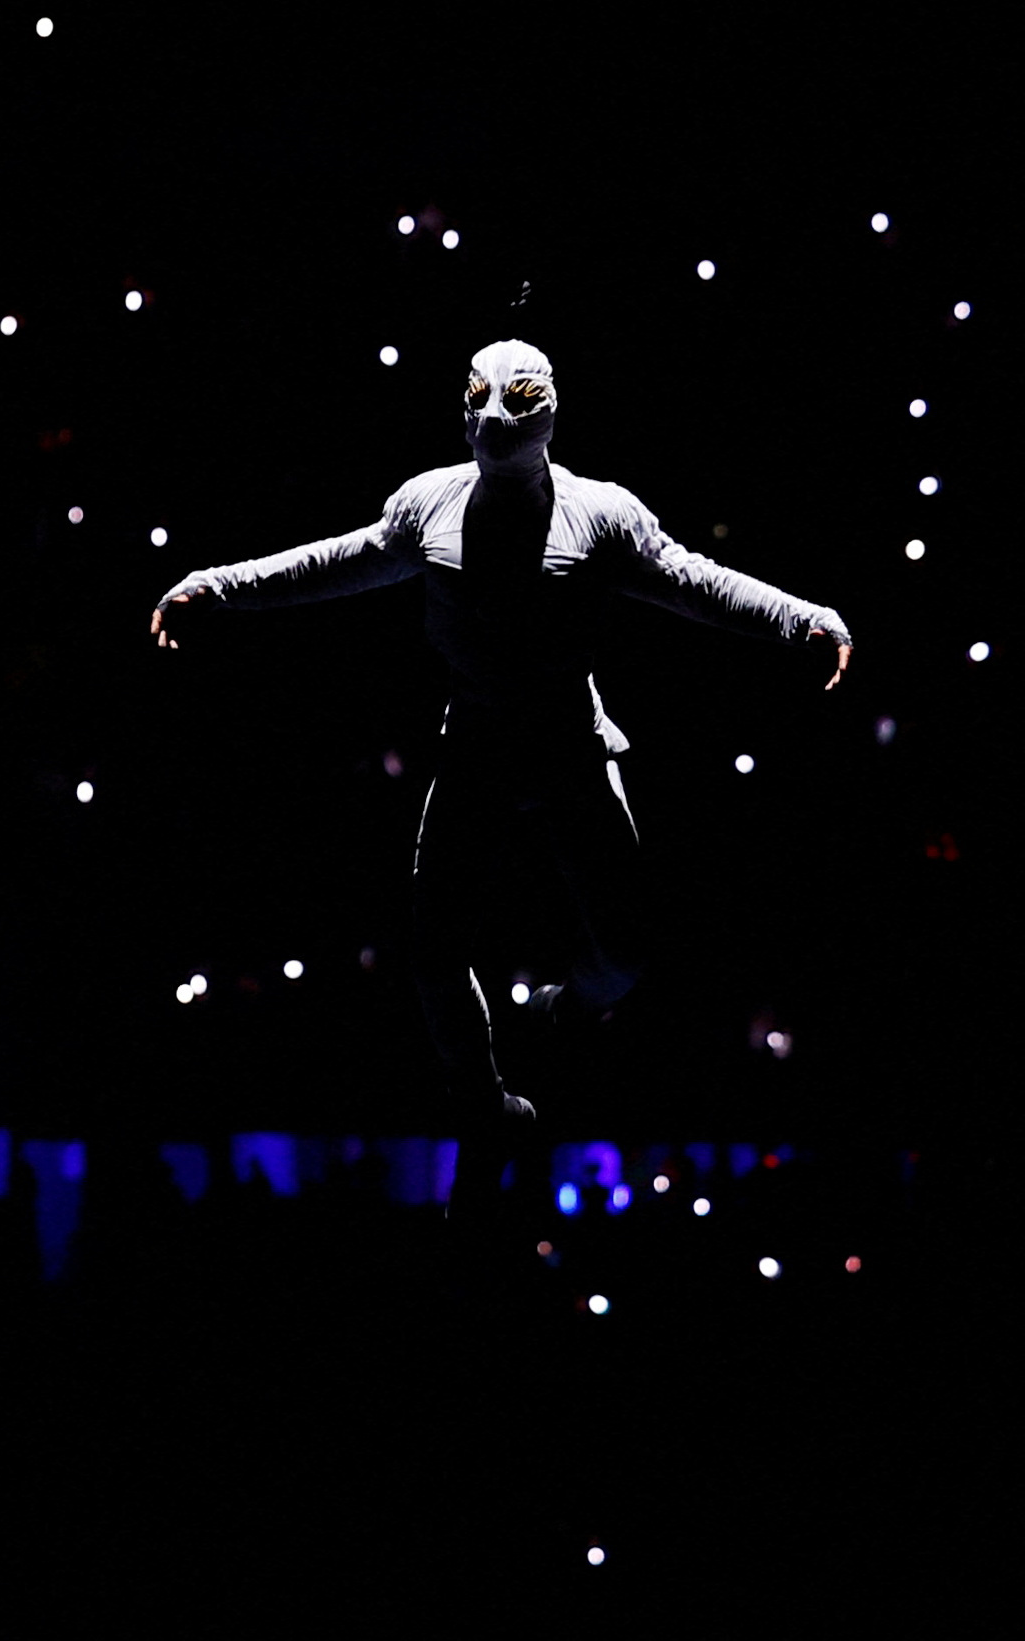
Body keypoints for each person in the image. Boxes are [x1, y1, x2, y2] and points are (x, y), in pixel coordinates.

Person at [148, 337, 851, 1225]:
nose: (492, 420)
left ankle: (560, 1017)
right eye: (483, 399)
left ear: (548, 411)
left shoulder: (600, 516)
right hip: (478, 746)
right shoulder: (429, 504)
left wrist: (798, 618)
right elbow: (333, 561)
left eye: (512, 403)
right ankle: (487, 1112)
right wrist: (217, 586)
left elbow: (691, 580)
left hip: (569, 747)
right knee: (435, 953)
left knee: (621, 957)